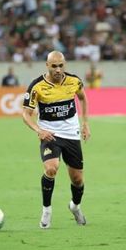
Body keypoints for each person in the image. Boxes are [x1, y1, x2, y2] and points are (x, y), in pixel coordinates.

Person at [22, 51, 91, 229]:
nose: (58, 69)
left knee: (77, 180)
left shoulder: (74, 81)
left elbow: (83, 98)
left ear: (65, 64)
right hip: (49, 134)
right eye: (54, 66)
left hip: (71, 133)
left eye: (61, 65)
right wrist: (39, 130)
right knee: (51, 169)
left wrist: (85, 123)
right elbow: (26, 114)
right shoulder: (37, 86)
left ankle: (75, 207)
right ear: (47, 66)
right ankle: (46, 210)